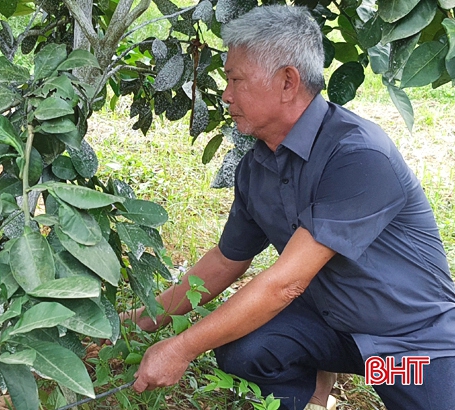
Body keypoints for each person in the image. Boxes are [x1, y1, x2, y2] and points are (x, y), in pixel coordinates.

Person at [127, 5, 455, 410]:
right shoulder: (258, 164)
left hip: (409, 344)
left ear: (287, 82)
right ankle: (313, 395)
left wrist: (181, 348)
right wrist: (135, 325)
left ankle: (359, 378)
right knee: (244, 349)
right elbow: (226, 261)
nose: (226, 95)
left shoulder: (358, 155)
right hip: (333, 331)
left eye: (236, 80)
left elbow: (286, 284)